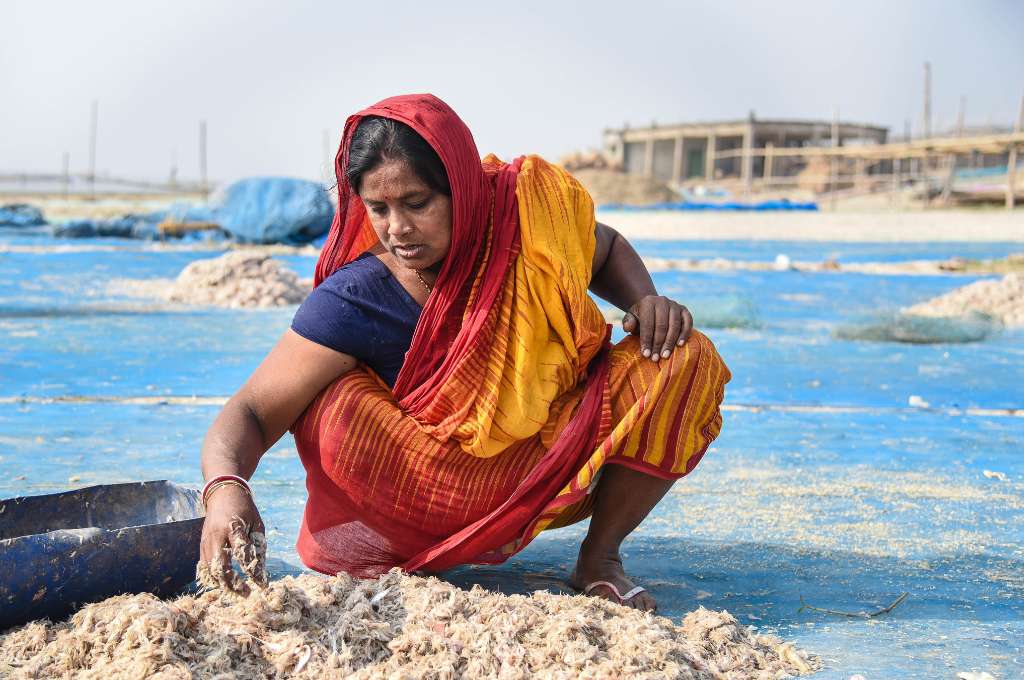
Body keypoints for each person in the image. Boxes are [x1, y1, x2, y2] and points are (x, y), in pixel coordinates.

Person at [199, 94, 730, 612]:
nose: (398, 229)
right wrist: (225, 489)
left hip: (550, 454)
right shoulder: (355, 298)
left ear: (462, 187)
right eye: (378, 208)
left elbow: (606, 246)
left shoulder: (526, 222)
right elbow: (251, 409)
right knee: (328, 400)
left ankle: (600, 559)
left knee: (685, 356)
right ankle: (418, 553)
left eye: (417, 203)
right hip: (426, 491)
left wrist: (645, 300)